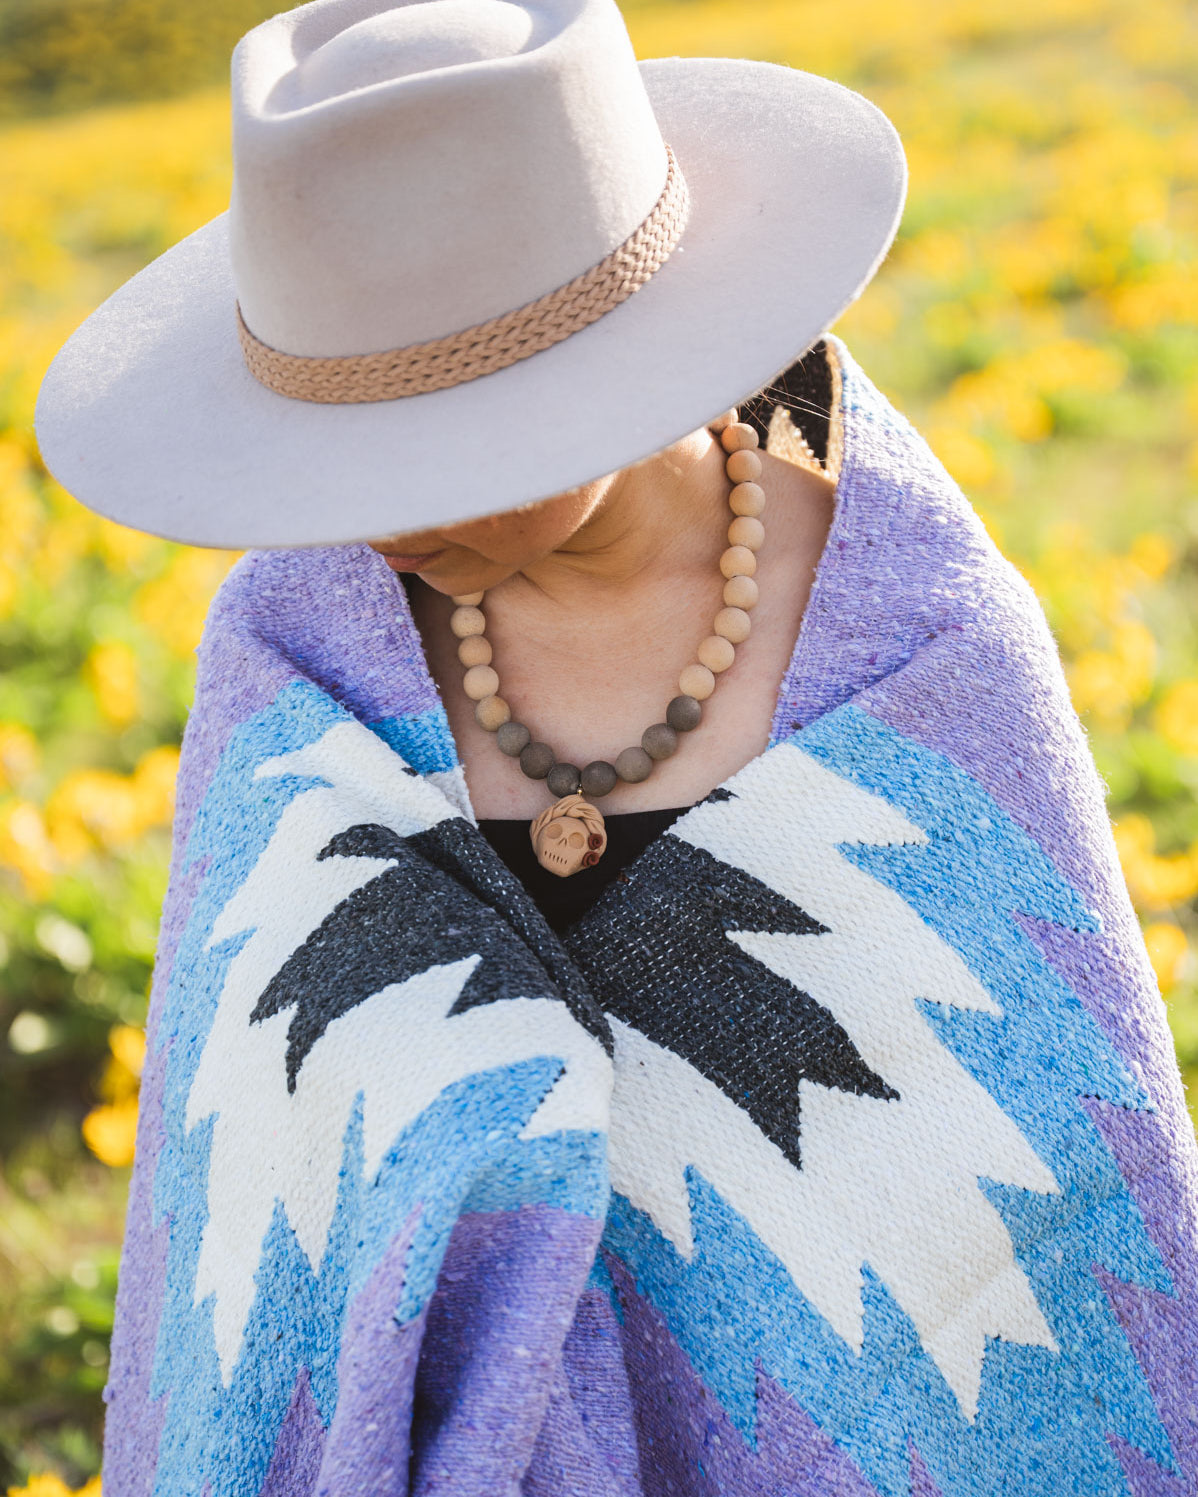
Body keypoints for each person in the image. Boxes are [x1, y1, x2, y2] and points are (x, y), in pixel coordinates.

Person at [34, 0, 1198, 1493]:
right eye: (340, 448)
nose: (387, 520)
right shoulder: (294, 654)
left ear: (634, 347)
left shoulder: (924, 653)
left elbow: (1038, 1229)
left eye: (452, 442)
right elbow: (254, 1178)